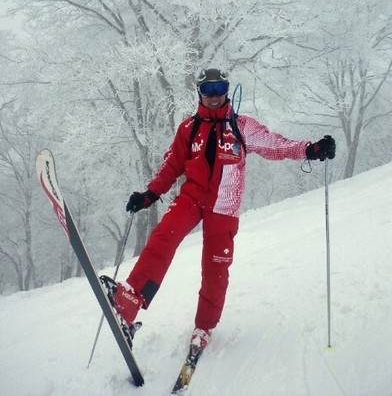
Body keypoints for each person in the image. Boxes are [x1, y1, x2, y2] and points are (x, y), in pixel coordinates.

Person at [101, 69, 336, 350]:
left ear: (226, 89)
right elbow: (172, 165)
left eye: (219, 88)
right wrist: (149, 194)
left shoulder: (241, 127)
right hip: (191, 197)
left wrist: (309, 149)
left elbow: (274, 145)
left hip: (224, 205)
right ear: (199, 92)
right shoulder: (188, 128)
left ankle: (204, 328)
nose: (214, 95)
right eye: (208, 89)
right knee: (163, 237)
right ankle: (128, 303)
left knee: (215, 269)